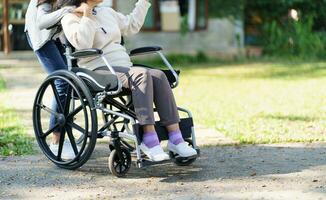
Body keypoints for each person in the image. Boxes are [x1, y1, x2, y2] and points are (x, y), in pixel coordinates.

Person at [60, 0, 197, 162]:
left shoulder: (107, 12)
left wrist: (143, 2)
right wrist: (87, 13)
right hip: (97, 70)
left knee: (158, 75)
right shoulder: (69, 18)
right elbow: (83, 43)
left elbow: (132, 25)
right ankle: (150, 139)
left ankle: (176, 138)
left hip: (124, 67)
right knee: (142, 75)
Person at [25, 0, 76, 159]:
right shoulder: (45, 2)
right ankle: (56, 140)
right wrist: (68, 10)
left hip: (54, 36)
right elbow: (41, 22)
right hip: (40, 37)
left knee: (72, 80)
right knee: (62, 81)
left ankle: (63, 137)